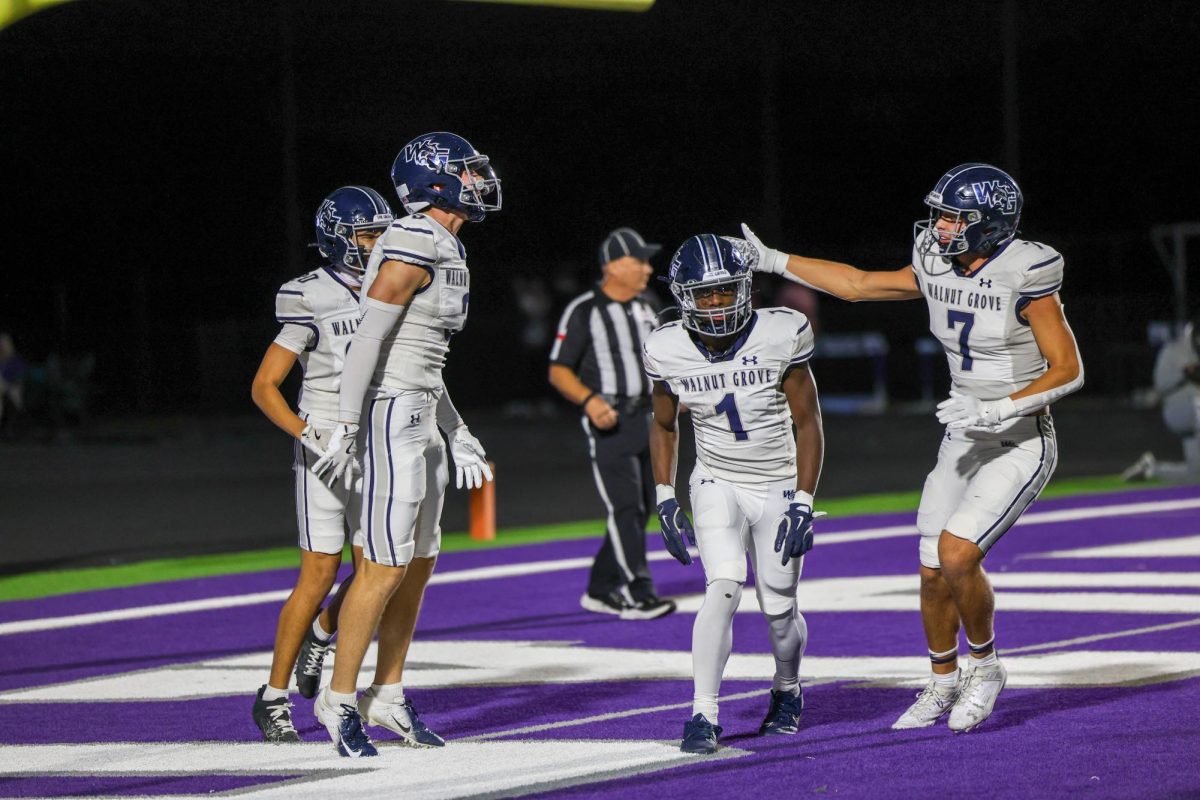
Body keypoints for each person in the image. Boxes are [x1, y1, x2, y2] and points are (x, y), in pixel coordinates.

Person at [741, 162, 1084, 732]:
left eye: (955, 217)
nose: (942, 227)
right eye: (942, 215)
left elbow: (1068, 369)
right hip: (963, 431)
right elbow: (858, 284)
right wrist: (775, 260)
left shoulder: (1025, 271)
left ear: (991, 225)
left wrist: (996, 406)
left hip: (1019, 435)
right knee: (930, 569)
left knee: (957, 554)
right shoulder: (935, 259)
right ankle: (943, 681)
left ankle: (987, 667)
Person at [311, 132, 498, 757]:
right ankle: (337, 699)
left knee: (418, 565)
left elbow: (420, 358)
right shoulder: (416, 236)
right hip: (390, 418)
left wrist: (457, 426)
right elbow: (368, 337)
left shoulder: (445, 243)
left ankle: (386, 693)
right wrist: (345, 419)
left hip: (419, 412)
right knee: (383, 565)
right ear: (437, 180)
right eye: (468, 172)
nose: (480, 181)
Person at [644, 234, 824, 754]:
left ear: (745, 288)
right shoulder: (666, 346)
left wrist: (804, 499)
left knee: (778, 606)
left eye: (726, 291)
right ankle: (703, 713)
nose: (718, 304)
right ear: (683, 297)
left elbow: (808, 422)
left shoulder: (780, 332)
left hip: (777, 481)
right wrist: (663, 493)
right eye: (705, 295)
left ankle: (787, 689)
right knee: (722, 587)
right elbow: (663, 424)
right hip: (716, 478)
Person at [248, 186, 394, 743]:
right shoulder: (311, 295)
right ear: (338, 237)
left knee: (378, 567)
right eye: (367, 234)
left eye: (382, 233)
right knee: (319, 574)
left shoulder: (395, 284)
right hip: (325, 449)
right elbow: (264, 387)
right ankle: (274, 696)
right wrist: (309, 433)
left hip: (377, 442)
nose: (377, 244)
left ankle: (324, 631)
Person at [548, 228, 676, 620]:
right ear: (615, 266)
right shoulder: (585, 309)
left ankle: (601, 589)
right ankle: (639, 592)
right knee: (625, 506)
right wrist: (589, 401)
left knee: (638, 508)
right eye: (640, 261)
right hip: (612, 420)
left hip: (650, 418)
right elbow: (558, 369)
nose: (647, 268)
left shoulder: (648, 304)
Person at [1123, 320, 1200, 482]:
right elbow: (1189, 375)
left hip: (1191, 411)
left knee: (1196, 473)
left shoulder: (1189, 347)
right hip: (1179, 409)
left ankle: (1151, 469)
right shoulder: (1176, 347)